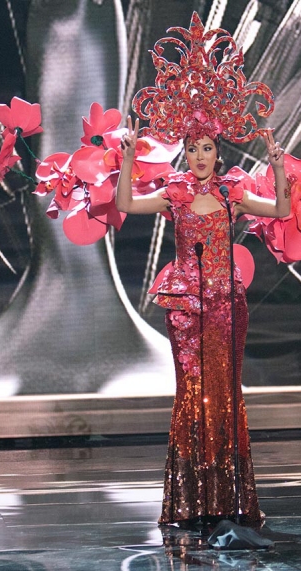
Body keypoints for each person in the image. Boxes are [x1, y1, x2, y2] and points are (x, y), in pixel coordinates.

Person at [116, 118, 289, 527]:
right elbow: (125, 204)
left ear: (218, 152)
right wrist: (127, 160)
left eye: (207, 148)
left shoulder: (233, 194)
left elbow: (282, 210)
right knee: (193, 391)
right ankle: (190, 499)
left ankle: (229, 498)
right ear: (185, 153)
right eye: (192, 148)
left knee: (226, 393)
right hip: (186, 309)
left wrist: (277, 167)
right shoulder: (174, 195)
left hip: (228, 306)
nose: (199, 156)